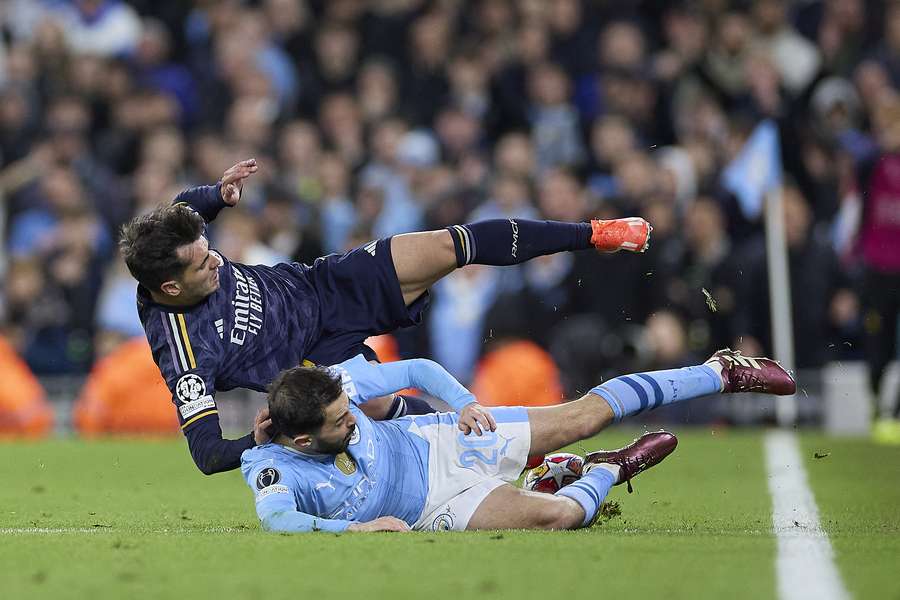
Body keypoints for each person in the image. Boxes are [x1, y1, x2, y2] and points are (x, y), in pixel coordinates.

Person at [118, 159, 653, 475]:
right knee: (392, 414)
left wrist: (219, 194)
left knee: (447, 246)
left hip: (322, 285)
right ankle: (532, 460)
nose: (215, 259)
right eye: (201, 263)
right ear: (169, 288)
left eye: (209, 247)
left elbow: (189, 207)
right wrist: (264, 440)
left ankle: (594, 234)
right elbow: (207, 453)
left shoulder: (178, 245)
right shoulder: (184, 353)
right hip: (318, 362)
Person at [240, 348, 795, 532]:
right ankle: (605, 471)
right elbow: (277, 520)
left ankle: (720, 373)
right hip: (441, 505)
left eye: (348, 411)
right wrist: (358, 530)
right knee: (559, 518)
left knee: (582, 417)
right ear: (303, 441)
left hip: (443, 443)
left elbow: (419, 368)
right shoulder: (275, 469)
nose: (354, 421)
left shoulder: (329, 386)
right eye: (340, 424)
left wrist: (464, 405)